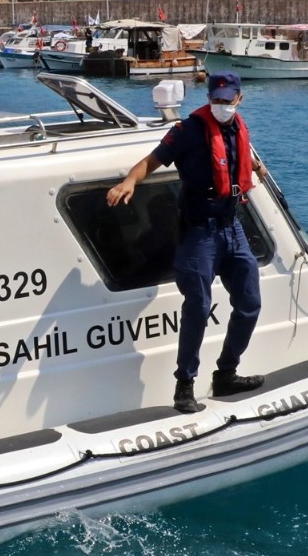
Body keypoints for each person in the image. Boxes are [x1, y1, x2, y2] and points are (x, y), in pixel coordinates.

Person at [107, 72, 265, 414]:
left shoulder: (237, 127)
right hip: (200, 232)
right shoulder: (188, 131)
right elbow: (151, 161)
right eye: (216, 100)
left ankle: (226, 374)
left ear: (240, 98)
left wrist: (255, 165)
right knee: (198, 306)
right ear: (209, 98)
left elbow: (235, 159)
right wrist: (130, 182)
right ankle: (185, 385)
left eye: (228, 100)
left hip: (233, 228)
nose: (221, 106)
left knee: (250, 303)